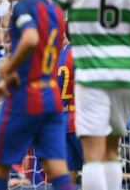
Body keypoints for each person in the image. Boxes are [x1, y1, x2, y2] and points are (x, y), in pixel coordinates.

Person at [52, 0, 130, 189]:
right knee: (111, 150)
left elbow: (50, 18)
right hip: (125, 73)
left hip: (91, 74)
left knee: (93, 154)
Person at [0, 0, 74, 190]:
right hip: (50, 95)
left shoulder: (24, 6)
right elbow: (40, 54)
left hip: (26, 98)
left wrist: (8, 68)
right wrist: (9, 81)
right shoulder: (52, 8)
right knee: (58, 170)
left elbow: (31, 38)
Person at [56, 41, 83, 183]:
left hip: (62, 122)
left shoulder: (57, 57)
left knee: (68, 172)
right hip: (82, 120)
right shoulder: (82, 54)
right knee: (95, 165)